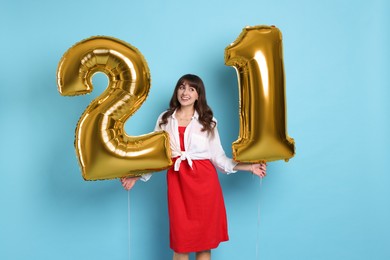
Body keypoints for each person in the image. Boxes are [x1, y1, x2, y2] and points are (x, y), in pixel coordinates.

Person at [121, 74, 266, 260]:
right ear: (177, 91)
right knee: (180, 246)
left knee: (204, 247)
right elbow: (156, 156)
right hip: (178, 184)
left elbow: (219, 158)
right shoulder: (164, 119)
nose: (185, 92)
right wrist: (137, 176)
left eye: (191, 89)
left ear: (198, 95)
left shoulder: (208, 121)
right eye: (182, 87)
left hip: (205, 186)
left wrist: (249, 167)